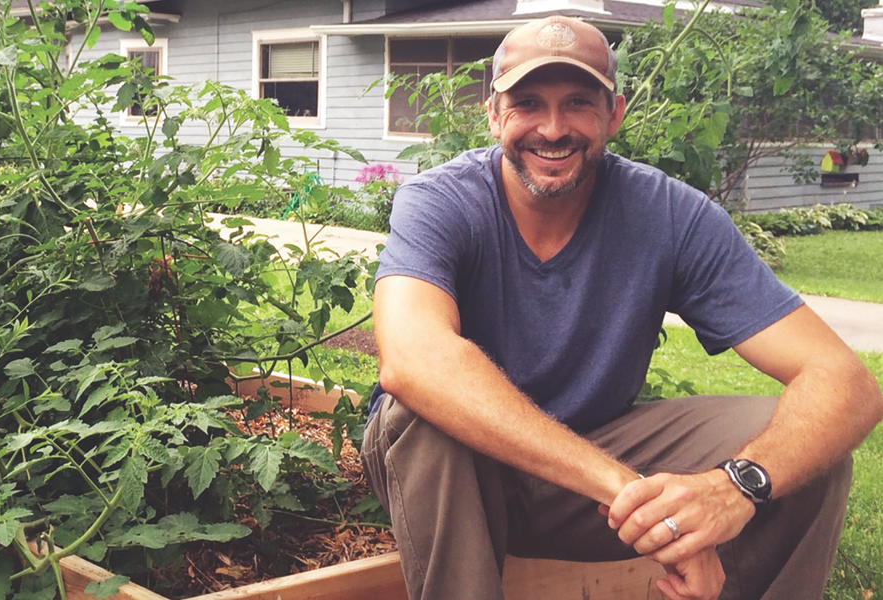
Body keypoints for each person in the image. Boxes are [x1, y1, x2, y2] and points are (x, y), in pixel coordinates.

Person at [362, 15, 883, 600]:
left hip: (593, 464)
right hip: (462, 479)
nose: (553, 128)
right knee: (425, 416)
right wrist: (635, 494)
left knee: (803, 444)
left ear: (615, 113)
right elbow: (413, 359)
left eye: (579, 102)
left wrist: (735, 487)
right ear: (493, 114)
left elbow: (847, 384)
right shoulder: (440, 201)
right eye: (528, 102)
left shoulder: (669, 214)